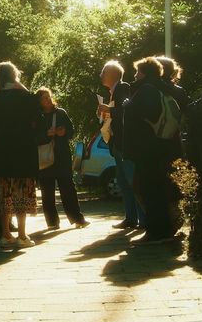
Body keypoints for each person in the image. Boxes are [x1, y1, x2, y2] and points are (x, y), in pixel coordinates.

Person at [122, 57, 179, 244]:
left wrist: (128, 105)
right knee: (153, 188)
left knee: (149, 189)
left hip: (149, 148)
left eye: (138, 72)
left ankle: (156, 231)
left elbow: (147, 113)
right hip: (160, 147)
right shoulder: (161, 87)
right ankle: (162, 229)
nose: (136, 75)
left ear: (145, 73)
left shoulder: (147, 89)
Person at [0, 61, 41, 248]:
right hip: (24, 150)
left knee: (5, 193)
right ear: (15, 74)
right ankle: (22, 235)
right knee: (22, 192)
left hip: (2, 152)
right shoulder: (26, 97)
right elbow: (37, 119)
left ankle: (4, 234)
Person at [97, 60, 145, 231]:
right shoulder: (113, 92)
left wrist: (108, 111)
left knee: (132, 181)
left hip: (125, 143)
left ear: (112, 74)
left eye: (104, 71)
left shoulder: (123, 88)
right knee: (124, 182)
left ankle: (141, 219)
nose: (101, 74)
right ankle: (131, 218)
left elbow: (126, 112)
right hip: (118, 143)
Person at [35, 87, 88, 229]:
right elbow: (33, 138)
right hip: (45, 158)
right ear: (39, 101)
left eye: (48, 96)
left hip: (62, 156)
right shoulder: (37, 116)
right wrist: (47, 134)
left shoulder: (60, 113)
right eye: (44, 98)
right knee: (47, 190)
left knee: (68, 187)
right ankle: (52, 222)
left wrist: (64, 132)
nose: (47, 100)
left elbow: (71, 131)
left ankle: (77, 218)